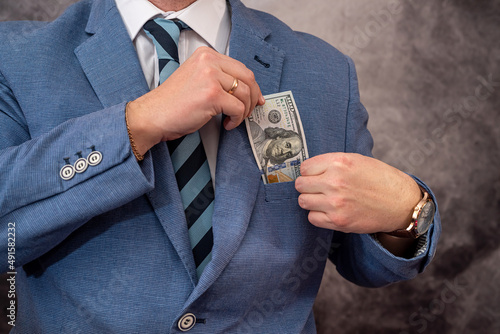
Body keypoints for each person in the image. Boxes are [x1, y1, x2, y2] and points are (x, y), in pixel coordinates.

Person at [0, 0, 441, 332]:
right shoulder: (16, 59)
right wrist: (136, 125)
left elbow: (360, 259)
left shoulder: (325, 70)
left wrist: (408, 214)